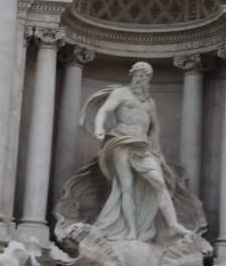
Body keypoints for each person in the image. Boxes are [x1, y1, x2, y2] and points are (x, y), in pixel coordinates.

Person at [80, 61, 192, 241]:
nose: (142, 78)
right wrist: (99, 127)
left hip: (143, 146)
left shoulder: (150, 102)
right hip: (121, 141)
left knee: (159, 182)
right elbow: (104, 110)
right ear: (132, 75)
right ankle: (131, 231)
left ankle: (172, 224)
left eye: (146, 76)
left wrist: (156, 148)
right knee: (126, 187)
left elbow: (155, 127)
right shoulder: (121, 93)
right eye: (139, 74)